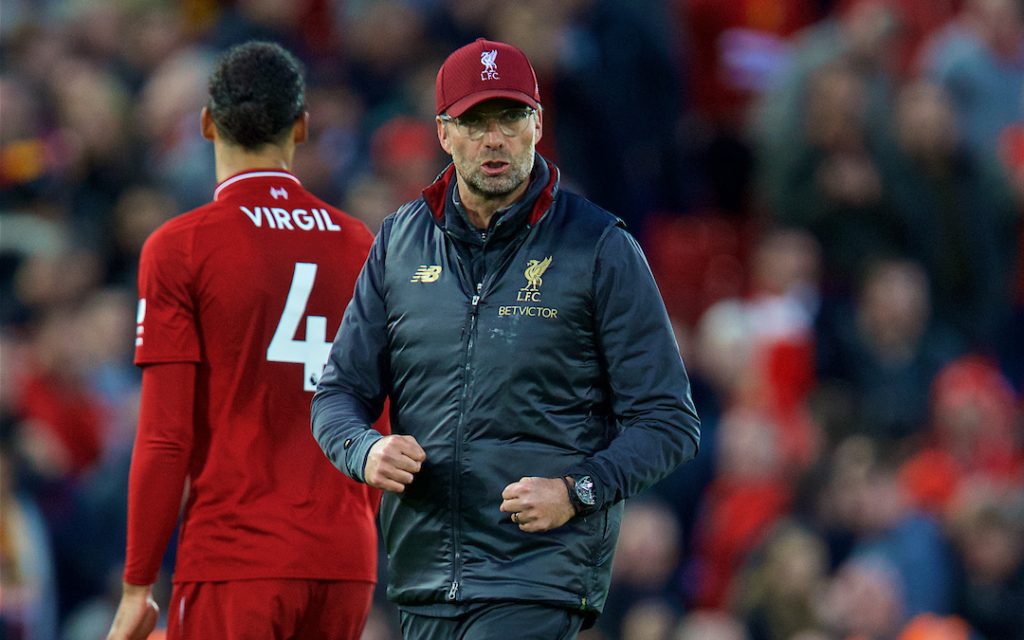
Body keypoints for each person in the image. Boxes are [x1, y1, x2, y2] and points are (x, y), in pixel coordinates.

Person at [312, 38, 701, 639]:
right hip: (422, 577)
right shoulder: (397, 243)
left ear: (537, 126)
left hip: (536, 575)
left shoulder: (598, 247)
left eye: (510, 118)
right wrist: (366, 451)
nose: (494, 139)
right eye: (474, 122)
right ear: (443, 133)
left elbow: (669, 420)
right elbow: (337, 395)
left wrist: (577, 491)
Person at [107, 41, 382, 640]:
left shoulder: (182, 247)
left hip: (237, 558)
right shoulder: (361, 245)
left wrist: (136, 586)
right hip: (344, 563)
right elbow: (380, 419)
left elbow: (164, 436)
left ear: (206, 123)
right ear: (302, 127)